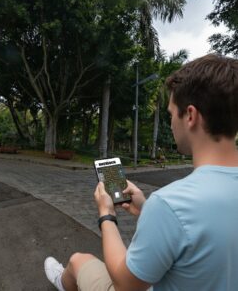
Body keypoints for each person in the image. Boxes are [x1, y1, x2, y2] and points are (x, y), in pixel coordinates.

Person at [44, 53, 238, 290]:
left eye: (170, 114)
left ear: (190, 115)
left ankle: (63, 281)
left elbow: (126, 284)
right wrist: (147, 209)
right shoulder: (169, 208)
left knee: (78, 261)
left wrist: (106, 214)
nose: (171, 123)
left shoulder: (171, 203)